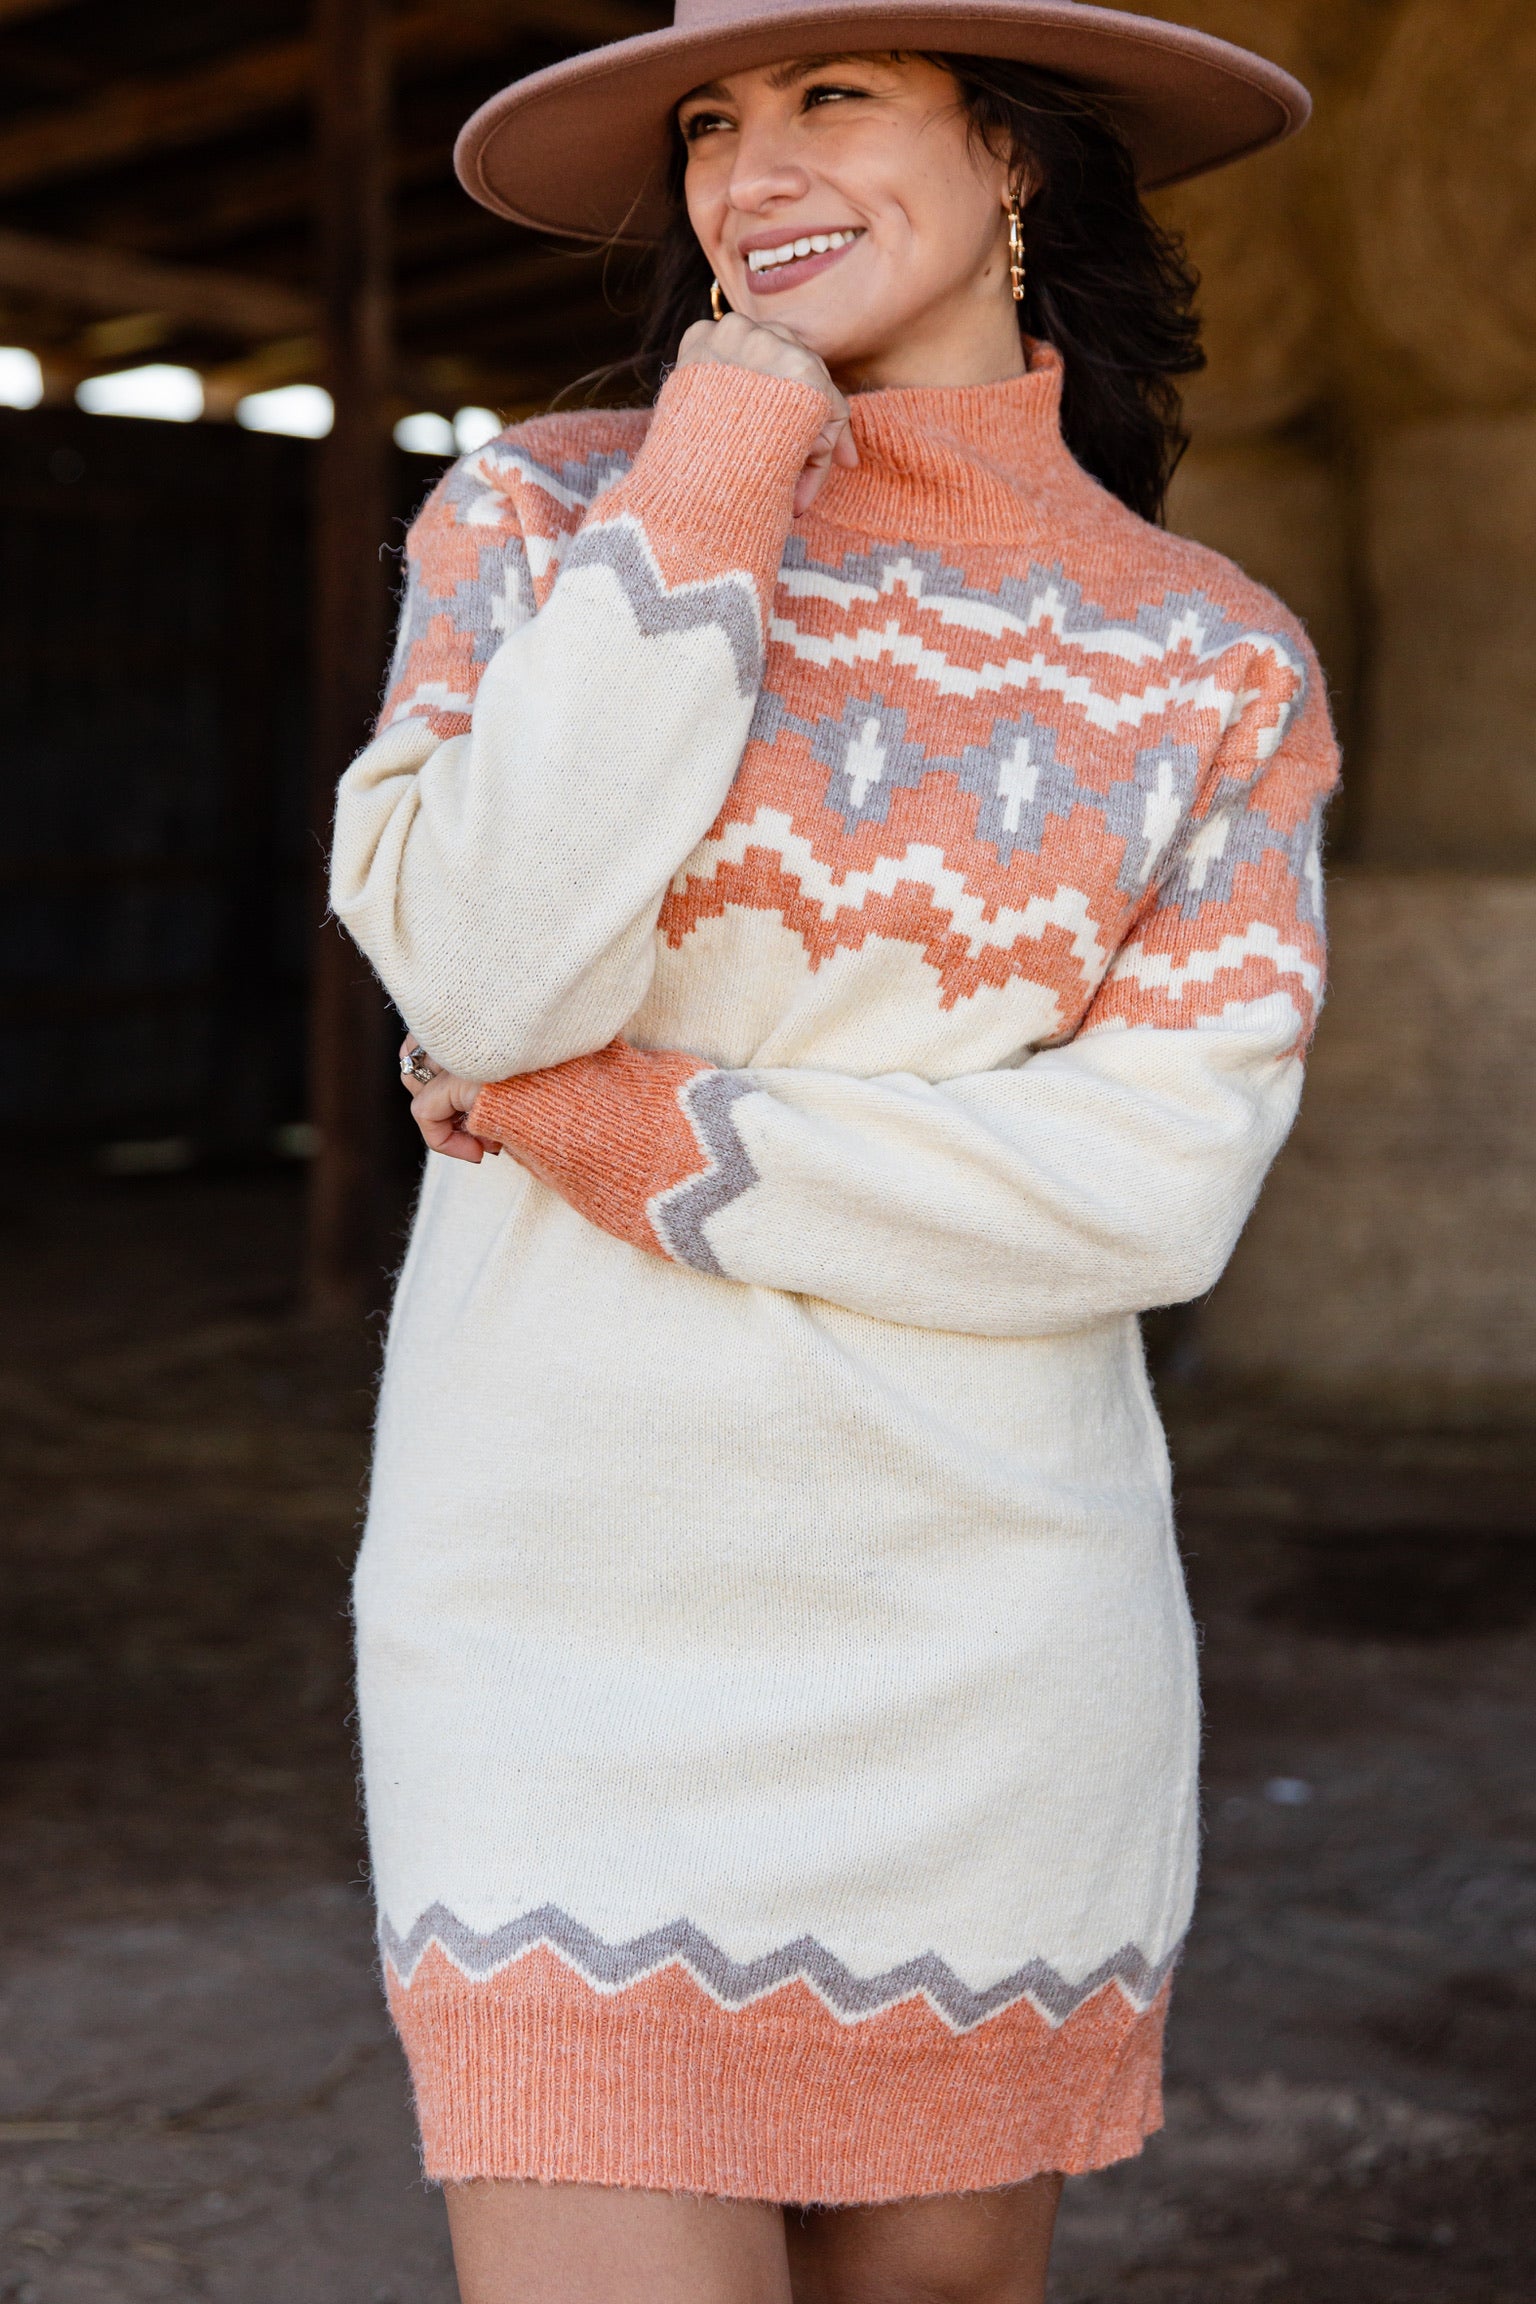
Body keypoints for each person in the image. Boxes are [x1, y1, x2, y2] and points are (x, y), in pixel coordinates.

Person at [329, 4, 1334, 2298]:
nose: (747, 164)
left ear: (1015, 160)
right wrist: (727, 448)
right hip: (554, 1633)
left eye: (829, 97)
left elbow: (1150, 1190)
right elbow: (483, 974)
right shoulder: (535, 518)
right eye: (710, 119)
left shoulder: (1209, 665)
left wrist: (616, 1123)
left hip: (987, 1648)